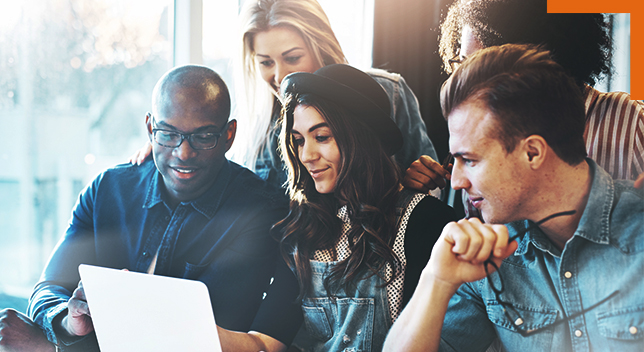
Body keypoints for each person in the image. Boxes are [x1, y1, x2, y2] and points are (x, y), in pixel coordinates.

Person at [0, 65, 288, 352]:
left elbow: (197, 337)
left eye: (203, 137)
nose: (183, 152)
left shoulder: (259, 210)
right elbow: (48, 288)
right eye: (168, 133)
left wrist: (50, 346)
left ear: (229, 135)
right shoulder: (108, 189)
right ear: (151, 128)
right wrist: (68, 322)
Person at [383, 44, 644, 352]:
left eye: (470, 160)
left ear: (532, 152)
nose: (455, 181)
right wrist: (436, 280)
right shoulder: (491, 254)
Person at [216, 64, 457, 352]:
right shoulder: (303, 230)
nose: (307, 155)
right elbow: (264, 343)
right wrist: (195, 327)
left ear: (360, 137)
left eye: (322, 137)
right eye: (298, 140)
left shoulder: (427, 222)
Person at [131, 0, 440, 195]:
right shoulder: (256, 124)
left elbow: (433, 183)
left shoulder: (387, 93)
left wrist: (420, 179)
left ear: (321, 46)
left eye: (292, 58)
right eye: (266, 62)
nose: (278, 76)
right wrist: (171, 140)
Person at [404, 0, 644, 202]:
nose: (468, 86)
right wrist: (423, 196)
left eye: (486, 72)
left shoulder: (632, 126)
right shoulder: (479, 139)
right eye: (463, 65)